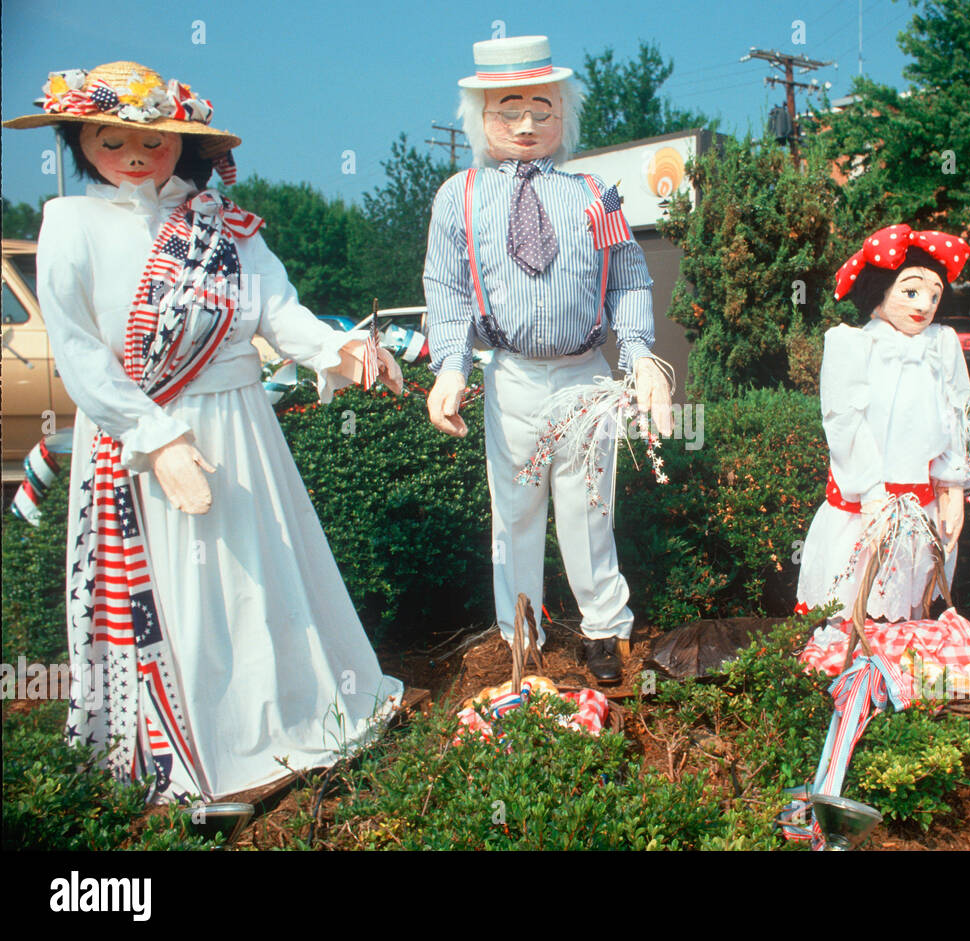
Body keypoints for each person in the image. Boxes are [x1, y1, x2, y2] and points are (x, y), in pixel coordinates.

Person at [3, 61, 405, 803]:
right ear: (79, 139)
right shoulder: (70, 224)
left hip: (244, 431)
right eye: (108, 136)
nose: (130, 152)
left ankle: (292, 722)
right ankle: (206, 752)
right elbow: (82, 355)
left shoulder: (226, 228)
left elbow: (278, 311)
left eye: (149, 139)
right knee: (185, 596)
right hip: (143, 444)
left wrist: (336, 348)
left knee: (264, 580)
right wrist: (153, 436)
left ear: (182, 144)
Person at [423, 35, 672, 684]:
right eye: (509, 110)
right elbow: (446, 289)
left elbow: (627, 278)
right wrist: (450, 366)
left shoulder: (595, 192)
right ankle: (520, 635)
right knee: (515, 512)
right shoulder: (461, 196)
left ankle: (604, 631)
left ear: (566, 113)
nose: (528, 124)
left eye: (543, 107)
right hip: (510, 377)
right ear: (479, 116)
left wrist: (640, 354)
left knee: (589, 505)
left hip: (584, 373)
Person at [796, 225, 970, 624]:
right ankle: (854, 664)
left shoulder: (942, 345)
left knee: (913, 605)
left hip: (921, 505)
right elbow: (844, 421)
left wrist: (951, 485)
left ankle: (901, 660)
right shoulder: (854, 345)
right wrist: (871, 493)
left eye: (933, 295)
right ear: (879, 290)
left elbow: (954, 414)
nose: (924, 305)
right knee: (857, 601)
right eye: (910, 291)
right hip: (867, 505)